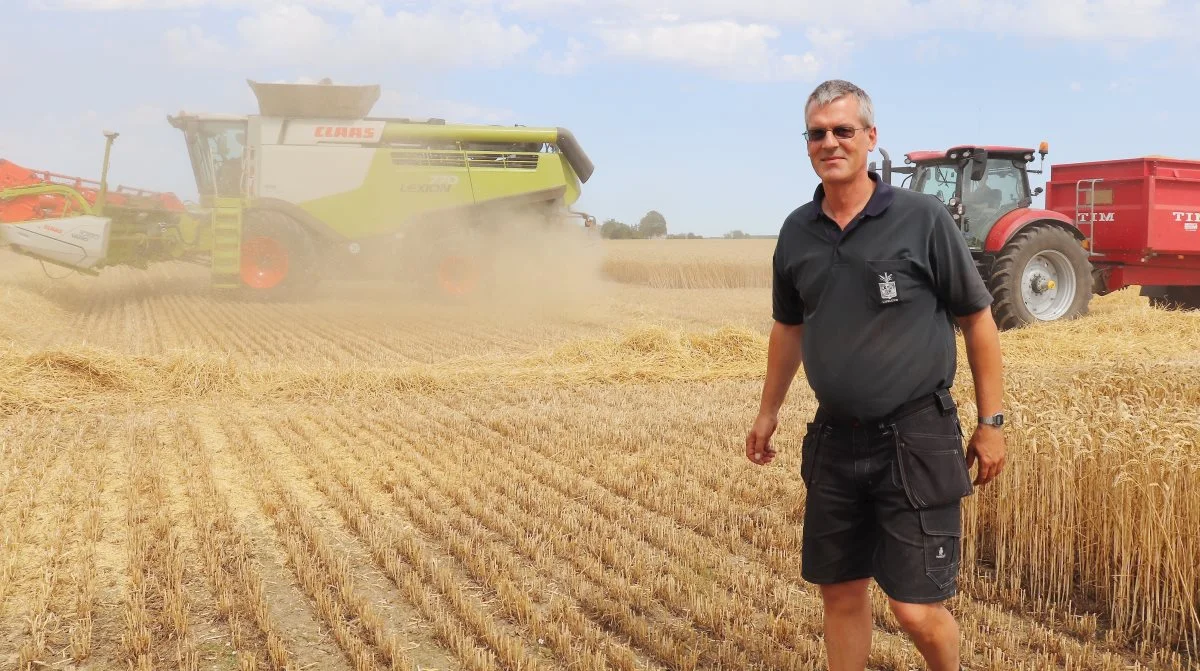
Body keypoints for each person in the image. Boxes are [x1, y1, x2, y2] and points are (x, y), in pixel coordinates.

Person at [745, 80, 1007, 671]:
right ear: (806, 143)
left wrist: (992, 421)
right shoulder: (797, 232)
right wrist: (769, 411)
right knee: (839, 593)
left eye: (843, 130)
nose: (830, 142)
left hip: (915, 438)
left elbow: (978, 318)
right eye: (817, 133)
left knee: (915, 610)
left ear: (870, 137)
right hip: (835, 439)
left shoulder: (921, 217)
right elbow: (788, 329)